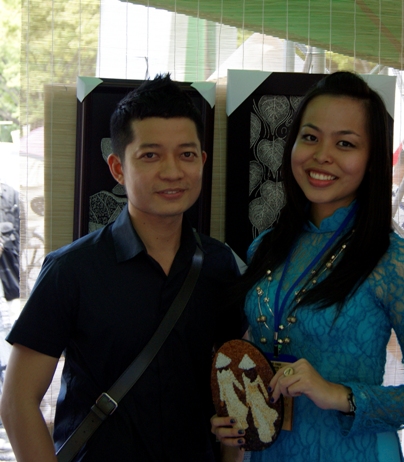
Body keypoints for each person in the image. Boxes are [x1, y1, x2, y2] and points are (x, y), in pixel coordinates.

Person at [0, 75, 245, 462]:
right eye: (150, 155)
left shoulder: (220, 265)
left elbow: (234, 383)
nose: (172, 171)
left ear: (202, 161)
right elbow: (18, 401)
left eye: (186, 154)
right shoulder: (71, 270)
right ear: (117, 168)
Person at [212, 71, 404, 462]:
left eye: (345, 143)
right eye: (310, 137)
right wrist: (236, 416)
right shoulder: (265, 248)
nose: (322, 155)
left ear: (372, 159)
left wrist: (338, 394)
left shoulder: (397, 261)